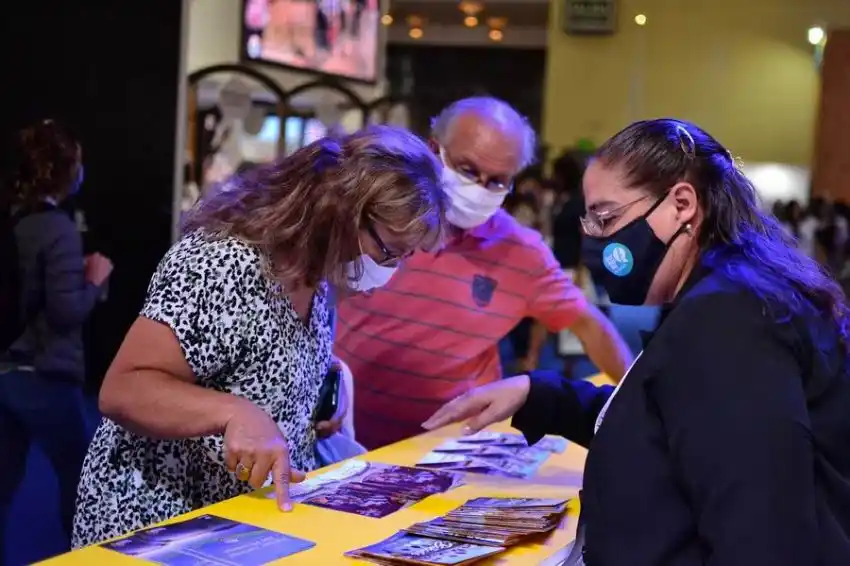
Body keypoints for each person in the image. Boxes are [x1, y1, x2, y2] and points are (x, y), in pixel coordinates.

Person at [423, 118, 850, 565]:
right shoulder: (726, 298)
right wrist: (540, 394)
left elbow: (759, 535)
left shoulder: (729, 322)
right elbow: (672, 423)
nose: (596, 238)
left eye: (607, 218)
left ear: (682, 205)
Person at [71, 126, 448, 548]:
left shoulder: (319, 274)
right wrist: (233, 411)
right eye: (388, 251)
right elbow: (125, 389)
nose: (390, 268)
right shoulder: (224, 264)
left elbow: (262, 361)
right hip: (160, 524)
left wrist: (319, 395)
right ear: (341, 211)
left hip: (245, 523)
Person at [333, 97, 633, 450]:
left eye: (497, 181)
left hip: (446, 451)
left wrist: (637, 409)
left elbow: (590, 326)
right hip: (342, 439)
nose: (478, 188)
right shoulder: (374, 217)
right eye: (467, 170)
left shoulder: (520, 252)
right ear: (434, 149)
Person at [0, 120, 113, 553]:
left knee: (6, 482)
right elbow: (66, 313)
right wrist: (95, 280)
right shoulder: (58, 228)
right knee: (82, 477)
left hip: (7, 371)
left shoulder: (15, 220)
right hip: (45, 374)